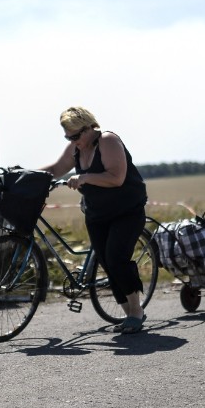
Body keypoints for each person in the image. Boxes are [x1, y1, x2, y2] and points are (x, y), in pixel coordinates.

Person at [40, 106, 149, 334]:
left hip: (126, 211)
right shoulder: (76, 147)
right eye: (68, 137)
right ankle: (128, 314)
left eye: (76, 135)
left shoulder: (107, 141)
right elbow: (56, 168)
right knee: (107, 262)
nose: (73, 140)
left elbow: (116, 178)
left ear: (90, 127)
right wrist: (26, 175)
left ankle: (136, 312)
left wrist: (84, 177)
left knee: (116, 257)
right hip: (98, 214)